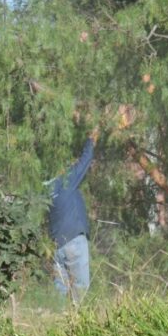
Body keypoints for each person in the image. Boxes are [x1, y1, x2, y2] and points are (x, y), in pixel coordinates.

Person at [47, 129, 97, 303]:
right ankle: (79, 326)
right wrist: (91, 139)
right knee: (80, 292)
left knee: (61, 294)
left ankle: (60, 324)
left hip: (56, 246)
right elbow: (86, 160)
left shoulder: (46, 187)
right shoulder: (66, 181)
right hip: (73, 241)